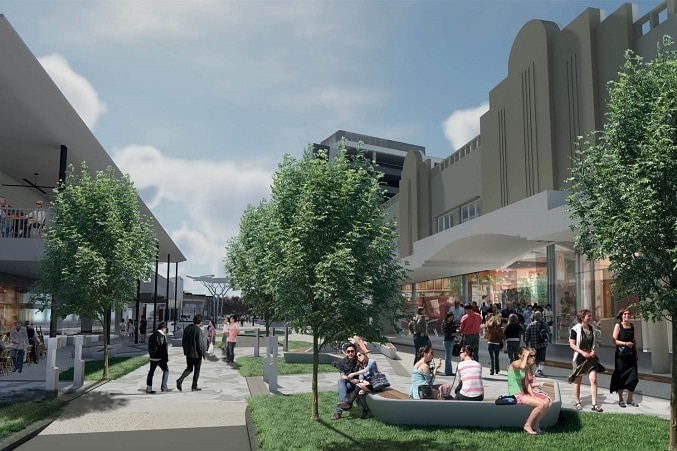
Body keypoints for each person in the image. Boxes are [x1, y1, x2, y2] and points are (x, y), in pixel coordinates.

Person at [508, 347, 551, 435]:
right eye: (528, 355)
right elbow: (522, 366)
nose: (531, 357)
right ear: (519, 355)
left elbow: (527, 384)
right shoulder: (514, 364)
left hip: (522, 393)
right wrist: (527, 354)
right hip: (515, 394)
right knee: (540, 404)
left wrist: (532, 395)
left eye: (533, 356)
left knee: (546, 403)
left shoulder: (525, 367)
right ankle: (528, 425)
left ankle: (535, 423)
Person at [569, 308, 605, 412]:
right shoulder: (575, 329)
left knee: (593, 379)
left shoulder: (592, 328)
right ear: (582, 317)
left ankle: (594, 404)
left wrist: (593, 350)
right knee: (578, 380)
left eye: (590, 315)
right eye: (588, 316)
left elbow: (594, 343)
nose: (590, 317)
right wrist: (582, 352)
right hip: (579, 357)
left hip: (590, 357)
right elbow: (572, 344)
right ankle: (577, 401)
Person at [610, 309, 639, 407]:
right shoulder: (618, 326)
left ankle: (630, 399)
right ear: (621, 316)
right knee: (621, 376)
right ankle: (621, 399)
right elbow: (614, 341)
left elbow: (634, 340)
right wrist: (626, 343)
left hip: (631, 355)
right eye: (625, 314)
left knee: (634, 377)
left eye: (628, 314)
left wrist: (636, 352)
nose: (627, 315)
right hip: (621, 356)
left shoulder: (632, 326)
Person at [176, 314, 206, 392]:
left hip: (188, 353)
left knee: (189, 368)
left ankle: (180, 379)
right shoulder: (198, 330)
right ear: (200, 322)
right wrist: (203, 353)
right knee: (197, 369)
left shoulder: (187, 328)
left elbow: (183, 341)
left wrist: (185, 350)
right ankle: (194, 386)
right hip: (196, 353)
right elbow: (200, 343)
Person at [331, 343, 360, 420]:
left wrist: (357, 380)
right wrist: (351, 379)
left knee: (342, 387)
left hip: (356, 385)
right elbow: (342, 375)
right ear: (346, 352)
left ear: (355, 351)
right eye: (348, 351)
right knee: (341, 381)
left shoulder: (359, 360)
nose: (350, 353)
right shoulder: (343, 362)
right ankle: (344, 402)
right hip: (348, 383)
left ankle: (338, 412)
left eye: (352, 351)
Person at [348, 351, 379, 419]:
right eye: (357, 357)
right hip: (368, 384)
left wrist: (354, 374)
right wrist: (363, 381)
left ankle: (350, 403)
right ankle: (365, 411)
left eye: (360, 355)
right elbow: (361, 377)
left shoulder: (371, 361)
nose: (358, 357)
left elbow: (366, 370)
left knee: (358, 385)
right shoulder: (361, 365)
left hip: (376, 383)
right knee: (361, 392)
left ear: (364, 355)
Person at [146, 322, 171, 393]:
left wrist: (151, 355)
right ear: (163, 328)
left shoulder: (152, 336)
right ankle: (164, 387)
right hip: (159, 357)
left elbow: (149, 347)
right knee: (166, 370)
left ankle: (149, 388)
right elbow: (163, 349)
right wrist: (165, 358)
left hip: (152, 357)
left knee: (151, 372)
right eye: (165, 329)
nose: (165, 330)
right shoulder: (162, 336)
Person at [525, 311, 549, 377]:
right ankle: (540, 370)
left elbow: (527, 335)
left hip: (533, 344)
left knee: (535, 358)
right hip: (542, 344)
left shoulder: (530, 325)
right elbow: (548, 332)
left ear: (534, 317)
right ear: (541, 316)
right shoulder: (544, 324)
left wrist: (527, 344)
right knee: (542, 357)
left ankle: (537, 370)